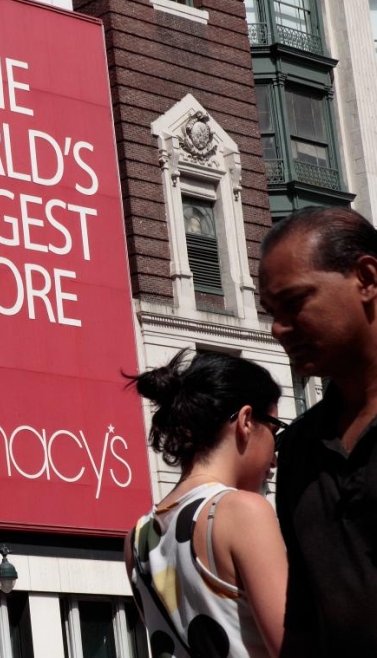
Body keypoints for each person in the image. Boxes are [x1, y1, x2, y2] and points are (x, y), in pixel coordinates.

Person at [259, 206, 377, 657]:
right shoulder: (298, 449)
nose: (277, 329)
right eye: (271, 311)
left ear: (366, 278)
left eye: (294, 303)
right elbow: (304, 617)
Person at [124, 350, 287, 658]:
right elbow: (293, 645)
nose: (274, 458)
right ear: (246, 421)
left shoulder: (137, 539)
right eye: (275, 432)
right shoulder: (242, 511)